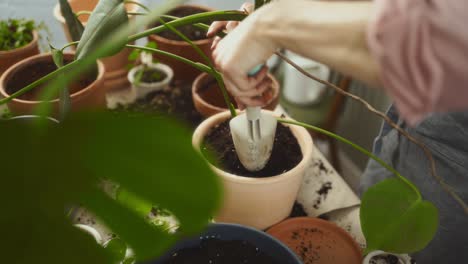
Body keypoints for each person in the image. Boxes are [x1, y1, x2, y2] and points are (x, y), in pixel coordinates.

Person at [207, 1, 468, 263]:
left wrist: (271, 24)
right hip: (414, 124)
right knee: (373, 235)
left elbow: (442, 46)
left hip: (457, 156)